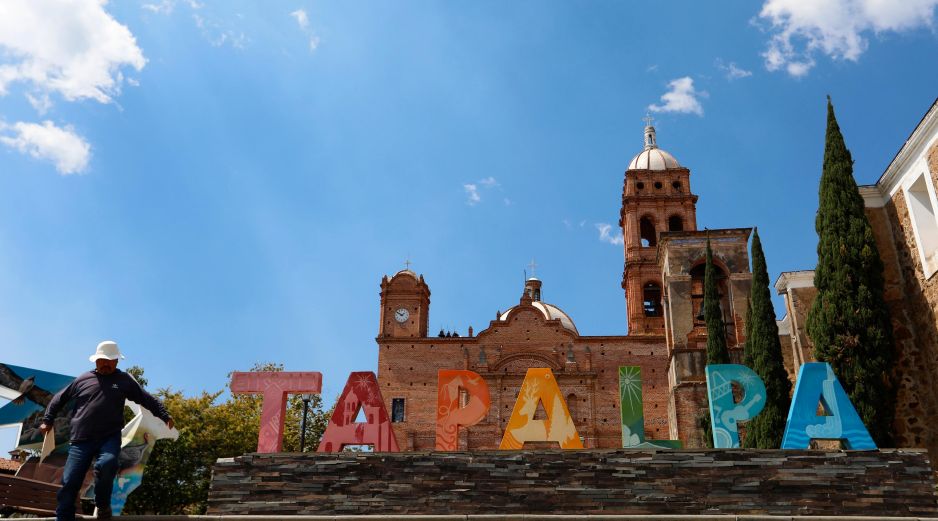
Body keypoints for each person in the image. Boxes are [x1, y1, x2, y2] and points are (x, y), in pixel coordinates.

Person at [39, 341, 174, 521]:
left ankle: (102, 505)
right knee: (70, 482)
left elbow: (146, 398)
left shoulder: (123, 380)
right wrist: (47, 420)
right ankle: (63, 518)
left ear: (117, 361)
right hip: (81, 439)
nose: (106, 364)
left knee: (107, 464)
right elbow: (58, 399)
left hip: (108, 438)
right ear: (96, 361)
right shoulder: (83, 379)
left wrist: (164, 415)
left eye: (110, 360)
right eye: (102, 360)